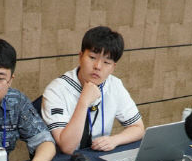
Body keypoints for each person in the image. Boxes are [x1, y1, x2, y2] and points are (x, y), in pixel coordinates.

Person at [41, 26, 145, 154]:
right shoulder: (56, 90)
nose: (98, 66)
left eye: (106, 62)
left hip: (98, 157)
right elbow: (67, 147)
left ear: (113, 67)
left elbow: (138, 128)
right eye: (92, 58)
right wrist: (84, 102)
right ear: (80, 57)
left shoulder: (114, 85)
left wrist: (114, 140)